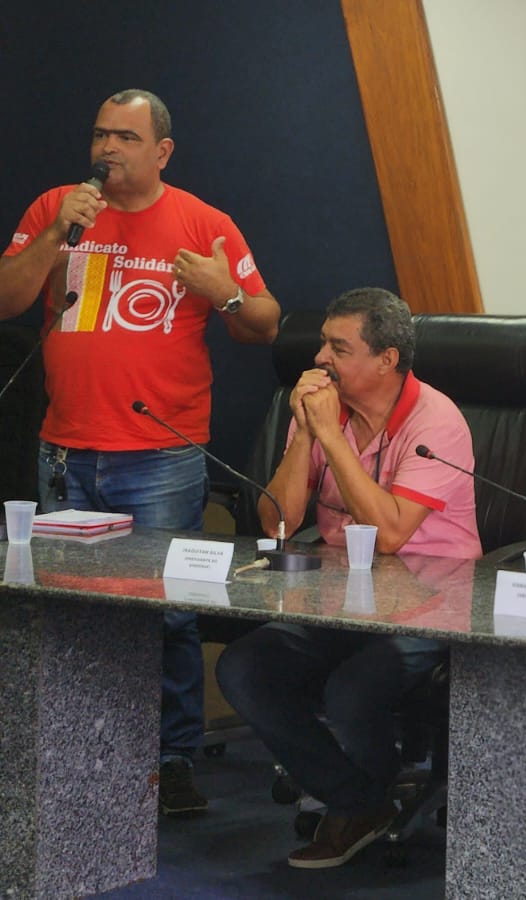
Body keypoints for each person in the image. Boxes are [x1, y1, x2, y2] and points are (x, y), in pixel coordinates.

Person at [0, 89, 281, 818]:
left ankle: (172, 760)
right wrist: (55, 233)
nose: (107, 149)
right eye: (100, 135)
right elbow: (6, 300)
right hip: (65, 449)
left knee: (168, 613)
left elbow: (266, 324)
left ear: (163, 151)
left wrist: (223, 293)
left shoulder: (203, 222)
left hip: (159, 455)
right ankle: (80, 753)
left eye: (125, 137)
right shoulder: (57, 207)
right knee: (68, 611)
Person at [215, 288, 480, 869]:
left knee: (352, 689)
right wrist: (307, 434)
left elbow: (390, 534)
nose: (320, 359)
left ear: (387, 360)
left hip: (432, 601)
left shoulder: (437, 422)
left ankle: (355, 806)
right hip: (341, 598)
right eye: (322, 344)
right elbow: (277, 522)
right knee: (245, 666)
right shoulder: (323, 412)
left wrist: (331, 438)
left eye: (339, 347)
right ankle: (360, 800)